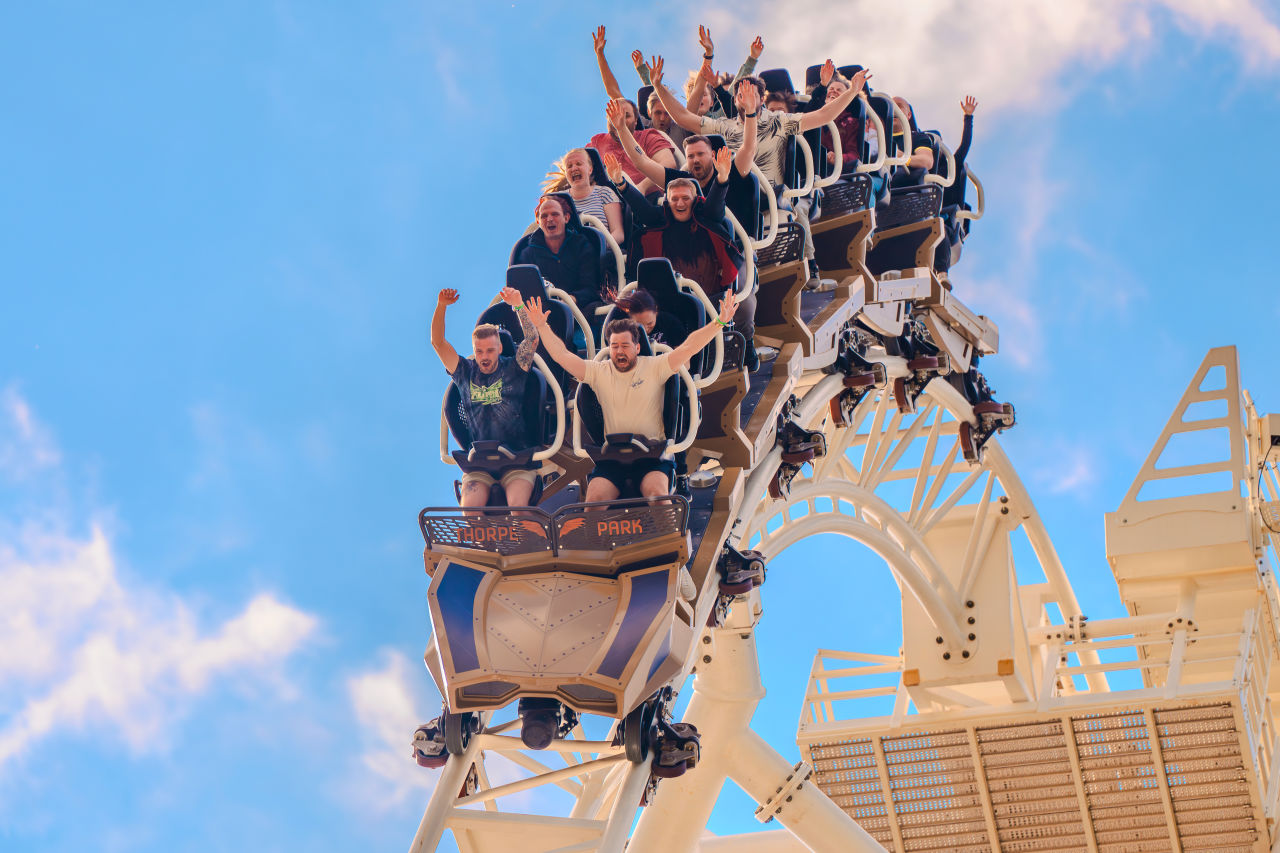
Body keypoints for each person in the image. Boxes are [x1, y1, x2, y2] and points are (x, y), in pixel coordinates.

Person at [650, 56, 872, 290]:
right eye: (741, 94)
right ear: (735, 99)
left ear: (761, 99)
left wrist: (852, 91)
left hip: (766, 193)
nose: (746, 98)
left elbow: (823, 116)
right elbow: (683, 118)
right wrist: (658, 86)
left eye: (752, 94)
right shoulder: (725, 126)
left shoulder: (779, 121)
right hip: (731, 195)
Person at [527, 291, 738, 501]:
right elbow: (562, 355)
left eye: (625, 346)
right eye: (615, 346)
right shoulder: (597, 371)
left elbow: (689, 347)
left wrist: (719, 321)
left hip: (651, 456)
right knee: (594, 499)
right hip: (613, 458)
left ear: (637, 347)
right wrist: (542, 326)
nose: (620, 351)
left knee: (656, 494)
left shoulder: (655, 366)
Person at [431, 287, 541, 508]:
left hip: (516, 459)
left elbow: (532, 339)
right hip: (480, 464)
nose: (484, 357)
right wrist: (441, 306)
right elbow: (438, 343)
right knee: (471, 510)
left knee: (517, 507)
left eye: (490, 351)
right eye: (479, 351)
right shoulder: (464, 372)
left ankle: (526, 528)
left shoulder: (515, 368)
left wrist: (518, 305)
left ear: (499, 348)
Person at [589, 26, 676, 193]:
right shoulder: (598, 142)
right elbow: (613, 92)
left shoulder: (648, 135)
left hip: (647, 199)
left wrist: (641, 188)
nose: (620, 118)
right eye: (615, 114)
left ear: (636, 121)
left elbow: (668, 165)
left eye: (627, 115)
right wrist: (599, 54)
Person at [514, 194, 604, 316]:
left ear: (566, 218)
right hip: (542, 316)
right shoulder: (527, 254)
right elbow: (522, 292)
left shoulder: (582, 245)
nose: (549, 219)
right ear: (538, 221)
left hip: (579, 312)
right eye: (544, 216)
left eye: (555, 214)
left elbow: (591, 287)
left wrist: (572, 299)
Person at [542, 148, 625, 246]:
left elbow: (618, 234)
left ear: (590, 169)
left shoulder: (605, 193)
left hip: (601, 250)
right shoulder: (558, 199)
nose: (574, 168)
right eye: (569, 166)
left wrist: (597, 248)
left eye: (579, 164)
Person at [613, 288, 689, 348]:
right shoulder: (624, 328)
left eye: (649, 323)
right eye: (639, 325)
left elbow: (685, 359)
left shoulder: (670, 323)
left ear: (656, 311)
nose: (645, 329)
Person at [888, 97, 935, 190]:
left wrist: (902, 157)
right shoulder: (877, 138)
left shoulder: (918, 137)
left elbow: (927, 161)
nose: (894, 110)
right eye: (891, 106)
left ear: (909, 115)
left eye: (899, 106)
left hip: (905, 188)